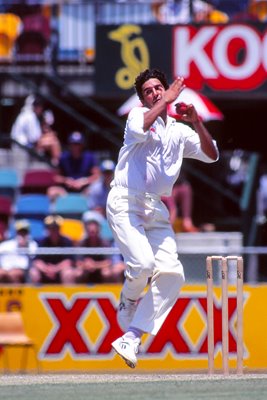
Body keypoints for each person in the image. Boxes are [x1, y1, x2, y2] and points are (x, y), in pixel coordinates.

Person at [106, 68, 218, 368]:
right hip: (125, 200)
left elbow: (212, 155)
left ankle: (131, 336)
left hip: (154, 207)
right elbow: (142, 124)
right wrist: (165, 101)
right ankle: (128, 300)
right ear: (143, 98)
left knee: (173, 274)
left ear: (166, 88)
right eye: (149, 91)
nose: (155, 92)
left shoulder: (180, 131)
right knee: (142, 265)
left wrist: (196, 122)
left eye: (159, 88)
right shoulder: (136, 116)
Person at [47, 131, 100, 202]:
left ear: (82, 145)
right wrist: (66, 180)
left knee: (94, 190)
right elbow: (56, 177)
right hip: (67, 190)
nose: (75, 147)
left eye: (78, 144)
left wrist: (84, 181)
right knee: (51, 191)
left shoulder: (89, 157)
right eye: (73, 144)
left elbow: (97, 176)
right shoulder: (63, 157)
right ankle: (55, 212)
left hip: (84, 189)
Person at [29, 214, 75, 284]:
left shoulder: (66, 241)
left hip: (60, 270)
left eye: (56, 228)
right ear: (47, 229)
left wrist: (55, 269)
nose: (53, 231)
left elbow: (68, 261)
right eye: (50, 228)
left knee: (68, 273)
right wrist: (46, 269)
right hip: (45, 271)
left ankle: (68, 294)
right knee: (33, 272)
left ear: (59, 229)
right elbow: (37, 261)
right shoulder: (41, 242)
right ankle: (33, 295)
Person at [0, 219, 38, 283]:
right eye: (20, 232)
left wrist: (25, 245)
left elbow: (32, 259)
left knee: (13, 274)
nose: (22, 235)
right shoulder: (6, 245)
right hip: (6, 269)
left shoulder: (32, 244)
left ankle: (19, 292)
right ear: (16, 233)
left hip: (24, 270)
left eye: (24, 233)